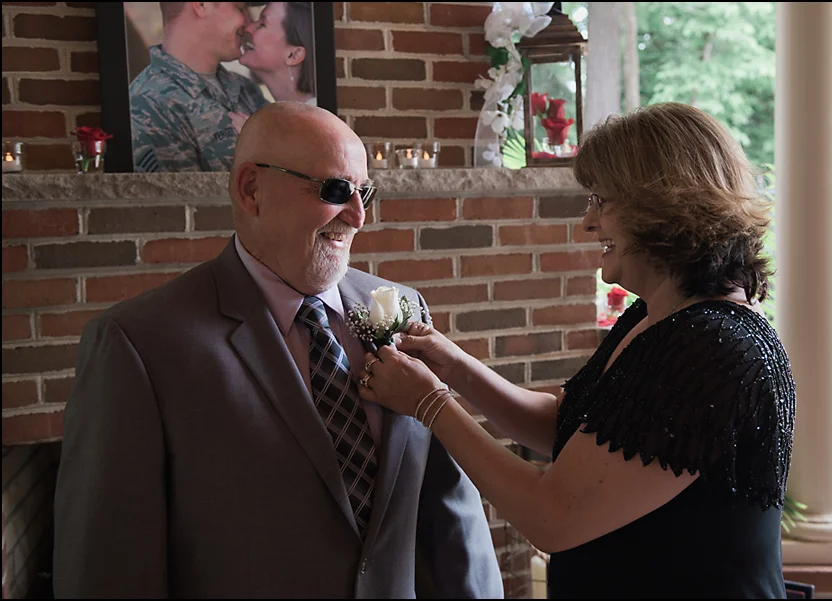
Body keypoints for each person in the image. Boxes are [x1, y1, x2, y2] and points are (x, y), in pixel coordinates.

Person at [53, 102, 504, 599]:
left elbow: (449, 504)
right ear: (252, 189)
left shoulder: (401, 307)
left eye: (365, 193)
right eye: (336, 191)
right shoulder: (137, 344)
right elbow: (110, 565)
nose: (358, 217)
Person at [357, 102, 797, 599]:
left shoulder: (713, 347)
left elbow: (552, 516)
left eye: (600, 201)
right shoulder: (655, 315)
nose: (588, 221)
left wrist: (430, 404)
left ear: (660, 206)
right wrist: (456, 367)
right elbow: (568, 427)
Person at [130, 2, 269, 173]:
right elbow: (183, 190)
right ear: (202, 5)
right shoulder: (148, 106)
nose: (249, 24)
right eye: (239, 8)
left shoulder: (244, 88)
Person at [228, 2, 317, 134]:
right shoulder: (288, 117)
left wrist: (256, 141)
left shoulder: (313, 124)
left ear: (293, 55)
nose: (248, 27)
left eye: (262, 24)